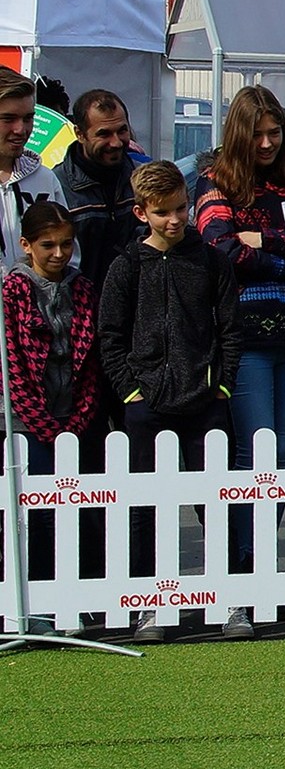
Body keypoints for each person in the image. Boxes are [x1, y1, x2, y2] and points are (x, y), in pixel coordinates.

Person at [97, 160, 240, 640]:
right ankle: (149, 606)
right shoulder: (125, 267)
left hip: (205, 401)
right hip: (147, 404)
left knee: (214, 503)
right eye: (163, 212)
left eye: (181, 208)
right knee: (146, 508)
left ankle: (229, 601)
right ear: (142, 213)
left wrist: (222, 386)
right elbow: (110, 337)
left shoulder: (211, 261)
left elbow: (230, 330)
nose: (175, 219)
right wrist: (131, 392)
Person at [194, 86, 285, 481]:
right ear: (238, 134)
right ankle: (245, 528)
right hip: (247, 336)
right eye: (256, 134)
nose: (266, 143)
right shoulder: (215, 183)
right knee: (254, 452)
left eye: (274, 133)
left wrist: (266, 240)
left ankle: (265, 528)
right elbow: (222, 252)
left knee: (283, 452)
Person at [6, 202, 104, 471]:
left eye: (66, 244)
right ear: (26, 245)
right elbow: (10, 369)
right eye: (48, 245)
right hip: (22, 424)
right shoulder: (11, 292)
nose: (59, 254)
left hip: (77, 420)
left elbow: (92, 364)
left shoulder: (83, 290)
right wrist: (46, 428)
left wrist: (77, 420)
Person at [54, 88, 138, 287]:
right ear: (80, 134)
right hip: (80, 303)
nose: (116, 142)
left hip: (135, 303)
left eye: (122, 131)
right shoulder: (57, 186)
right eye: (104, 134)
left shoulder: (141, 180)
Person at [0, 67, 69, 266]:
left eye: (28, 118)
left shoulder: (44, 179)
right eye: (9, 119)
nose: (21, 129)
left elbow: (68, 253)